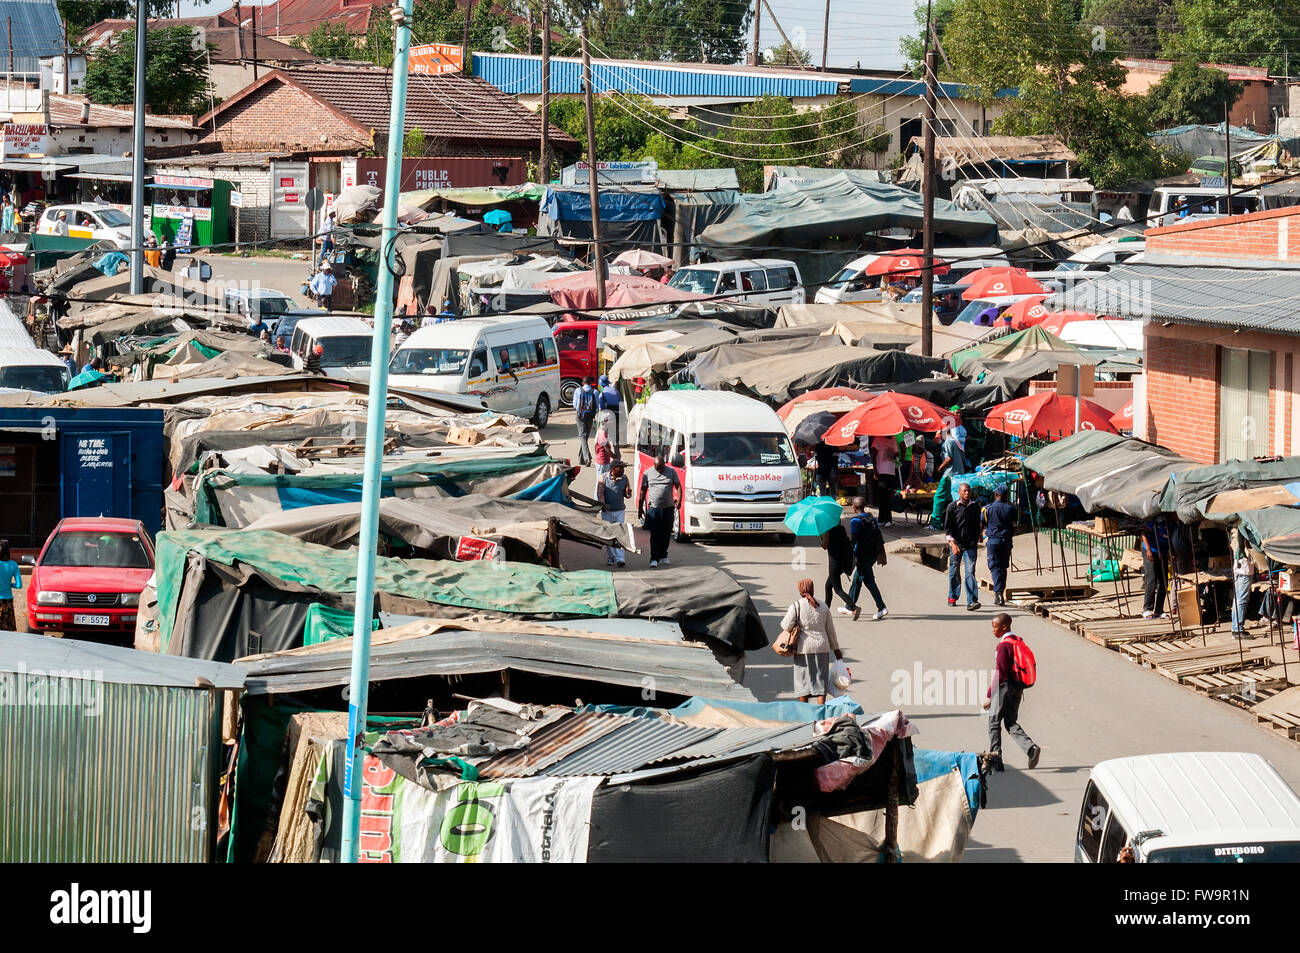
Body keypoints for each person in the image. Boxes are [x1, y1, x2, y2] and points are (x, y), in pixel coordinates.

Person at [982, 613, 1041, 771]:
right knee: (1010, 722)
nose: (993, 630)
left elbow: (1000, 672)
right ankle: (1031, 748)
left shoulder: (1003, 646)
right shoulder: (1016, 640)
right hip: (1017, 688)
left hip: (1004, 688)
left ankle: (995, 761)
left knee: (994, 722)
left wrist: (989, 695)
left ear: (1004, 627)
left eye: (994, 627)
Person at [780, 578, 844, 705]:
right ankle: (820, 712)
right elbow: (831, 631)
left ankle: (806, 712)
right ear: (813, 589)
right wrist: (836, 650)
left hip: (803, 649)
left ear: (800, 590)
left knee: (803, 682)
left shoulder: (796, 606)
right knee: (820, 682)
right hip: (822, 648)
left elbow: (785, 625)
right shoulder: (823, 606)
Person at [637, 450, 680, 568]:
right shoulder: (648, 473)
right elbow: (642, 490)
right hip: (654, 509)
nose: (660, 471)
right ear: (654, 466)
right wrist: (640, 508)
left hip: (668, 508)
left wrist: (679, 501)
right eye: (658, 469)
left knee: (666, 534)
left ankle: (663, 555)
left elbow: (678, 486)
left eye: (662, 468)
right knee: (655, 534)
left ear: (664, 465)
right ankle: (654, 558)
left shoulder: (671, 472)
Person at [847, 496, 888, 620]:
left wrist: (848, 552)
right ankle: (849, 606)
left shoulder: (855, 521)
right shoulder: (872, 518)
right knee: (857, 580)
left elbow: (854, 540)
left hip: (862, 555)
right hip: (873, 554)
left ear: (854, 506)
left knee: (869, 581)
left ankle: (881, 607)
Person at [944, 481, 982, 610]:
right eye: (964, 491)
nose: (967, 493)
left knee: (970, 572)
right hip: (956, 544)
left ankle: (972, 601)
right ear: (959, 492)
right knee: (954, 571)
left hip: (970, 545)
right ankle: (952, 596)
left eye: (968, 491)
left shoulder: (975, 507)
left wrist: (979, 536)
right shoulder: (952, 507)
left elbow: (978, 524)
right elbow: (947, 528)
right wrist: (953, 544)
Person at [982, 485, 1018, 607]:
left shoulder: (988, 509)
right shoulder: (1012, 509)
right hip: (1006, 541)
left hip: (994, 541)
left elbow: (982, 523)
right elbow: (1015, 520)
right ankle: (1000, 592)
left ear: (996, 494)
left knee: (995, 567)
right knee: (1003, 567)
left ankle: (998, 594)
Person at [822, 518, 860, 621]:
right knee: (828, 585)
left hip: (833, 563)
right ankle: (826, 610)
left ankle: (854, 607)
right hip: (841, 563)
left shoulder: (828, 531)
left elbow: (824, 546)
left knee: (838, 589)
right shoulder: (841, 529)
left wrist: (821, 535)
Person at [599, 459, 631, 568]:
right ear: (613, 469)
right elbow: (600, 493)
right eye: (620, 468)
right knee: (609, 535)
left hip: (619, 511)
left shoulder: (625, 478)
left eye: (623, 468)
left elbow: (627, 493)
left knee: (620, 534)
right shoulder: (603, 478)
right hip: (607, 512)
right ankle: (610, 558)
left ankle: (620, 559)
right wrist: (603, 504)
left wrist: (628, 493)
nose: (622, 470)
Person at [1140, 517, 1169, 619]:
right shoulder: (1156, 521)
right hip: (1150, 551)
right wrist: (1148, 550)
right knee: (1151, 579)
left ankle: (1159, 610)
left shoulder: (1172, 524)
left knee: (1164, 581)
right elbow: (1144, 534)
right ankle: (1147, 608)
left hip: (1162, 553)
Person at [870, 433, 899, 527]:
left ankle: (886, 519)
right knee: (883, 496)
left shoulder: (893, 439)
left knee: (888, 497)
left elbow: (896, 452)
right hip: (881, 471)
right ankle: (884, 519)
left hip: (891, 472)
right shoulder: (878, 438)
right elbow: (873, 454)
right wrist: (875, 470)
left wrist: (896, 455)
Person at [1231, 531, 1256, 639]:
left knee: (1238, 599)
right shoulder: (1242, 529)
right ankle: (1237, 629)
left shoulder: (1235, 530)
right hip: (1244, 569)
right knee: (1241, 599)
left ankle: (1235, 627)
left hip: (1240, 568)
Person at [574, 376, 598, 465]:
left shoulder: (578, 391)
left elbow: (575, 405)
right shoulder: (595, 392)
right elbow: (597, 406)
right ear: (591, 383)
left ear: (583, 383)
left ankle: (587, 458)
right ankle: (581, 459)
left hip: (580, 416)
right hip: (590, 417)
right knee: (585, 437)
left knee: (582, 437)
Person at [598, 374, 622, 447]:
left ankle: (606, 455)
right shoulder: (616, 391)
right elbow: (621, 403)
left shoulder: (603, 393)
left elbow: (601, 407)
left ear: (601, 384)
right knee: (616, 437)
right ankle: (617, 455)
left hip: (607, 416)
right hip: (617, 415)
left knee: (605, 435)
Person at [0, 539, 19, 631]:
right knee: (8, 631)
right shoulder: (13, 565)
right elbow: (19, 585)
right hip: (8, 601)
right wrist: (10, 584)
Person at [593, 421, 614, 487]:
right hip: (603, 462)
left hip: (600, 460)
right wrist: (615, 457)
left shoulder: (600, 431)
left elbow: (595, 448)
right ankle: (598, 497)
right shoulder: (603, 434)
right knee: (601, 483)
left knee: (600, 482)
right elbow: (607, 449)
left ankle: (598, 496)